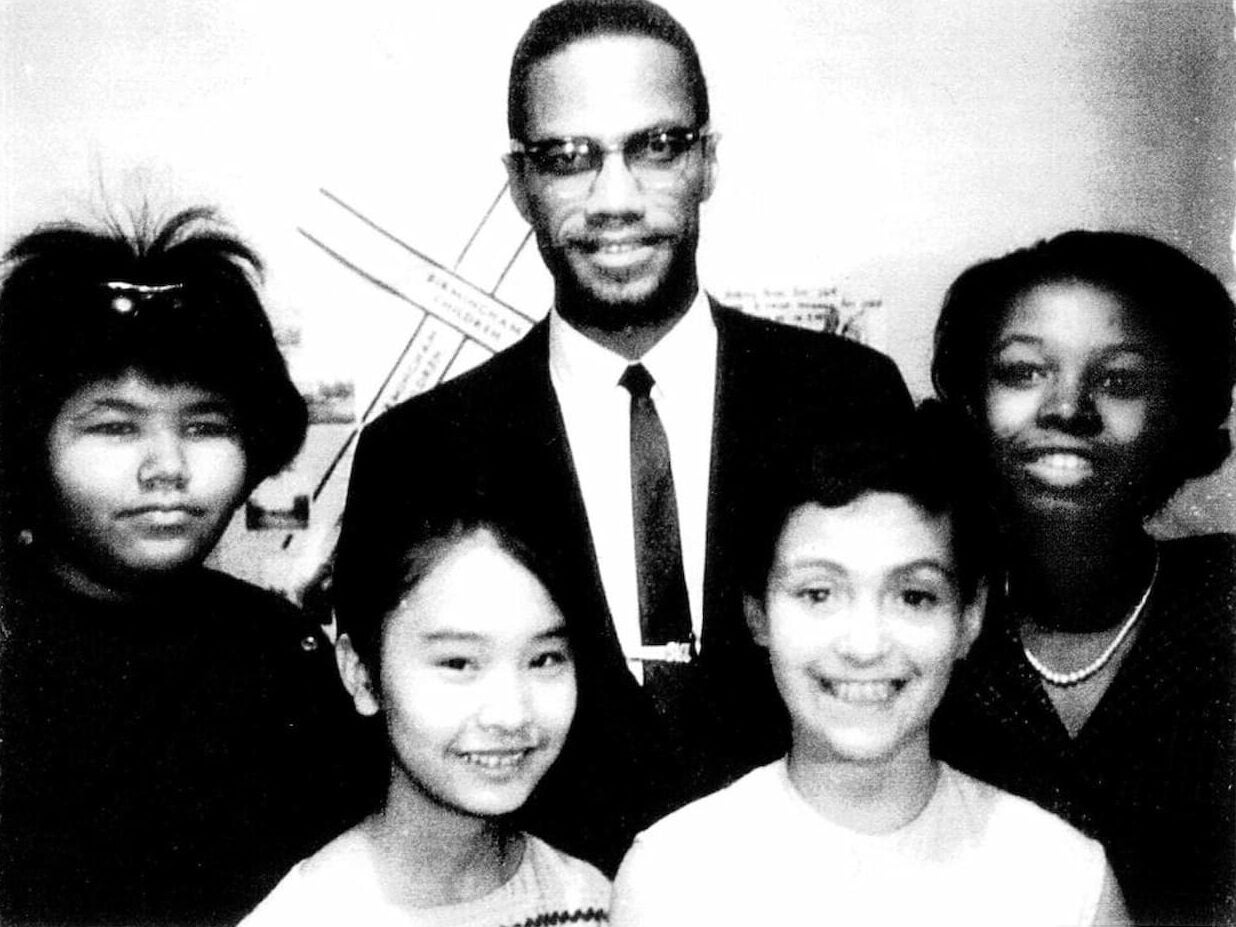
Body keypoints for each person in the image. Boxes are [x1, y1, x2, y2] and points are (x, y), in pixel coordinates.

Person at [334, 0, 913, 873]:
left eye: (657, 147)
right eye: (568, 158)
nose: (616, 199)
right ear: (521, 180)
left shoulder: (845, 395)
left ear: (708, 161)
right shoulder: (422, 447)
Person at [609, 405, 1129, 926]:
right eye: (818, 593)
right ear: (757, 614)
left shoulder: (1063, 879)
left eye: (914, 597)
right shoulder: (672, 876)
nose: (864, 645)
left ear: (970, 617)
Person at [0, 208, 370, 926]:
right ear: (26, 441)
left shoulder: (281, 655)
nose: (166, 468)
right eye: (114, 427)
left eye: (204, 426)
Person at [929, 230, 1236, 926]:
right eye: (1023, 371)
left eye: (1122, 380)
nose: (1068, 409)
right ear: (974, 404)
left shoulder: (1223, 604)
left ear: (1183, 420)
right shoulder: (923, 618)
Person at [241, 515, 611, 925]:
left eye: (544, 659)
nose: (511, 714)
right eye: (458, 663)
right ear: (361, 674)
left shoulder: (592, 898)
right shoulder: (306, 915)